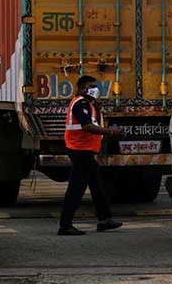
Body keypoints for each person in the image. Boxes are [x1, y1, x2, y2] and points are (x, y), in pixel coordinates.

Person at [58, 75, 124, 236]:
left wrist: (97, 105)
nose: (95, 89)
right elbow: (87, 125)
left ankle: (104, 219)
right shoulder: (81, 103)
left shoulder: (88, 104)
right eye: (91, 86)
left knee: (97, 186)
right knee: (76, 189)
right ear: (82, 88)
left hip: (85, 149)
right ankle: (65, 225)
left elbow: (94, 121)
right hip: (80, 150)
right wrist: (110, 132)